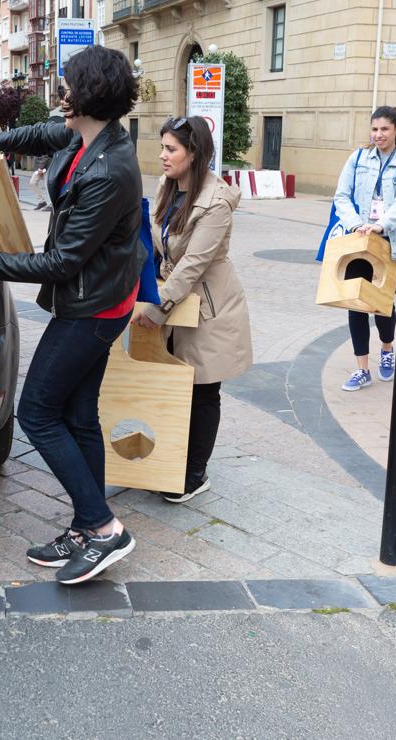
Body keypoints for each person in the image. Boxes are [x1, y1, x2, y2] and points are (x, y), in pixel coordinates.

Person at [0, 45, 144, 585]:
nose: (63, 93)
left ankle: (103, 529)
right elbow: (37, 136)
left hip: (93, 308)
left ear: (92, 94)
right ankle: (85, 526)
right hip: (98, 297)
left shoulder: (111, 170)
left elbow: (62, 261)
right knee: (78, 416)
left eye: (70, 84)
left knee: (35, 413)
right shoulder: (88, 137)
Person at [132, 115, 252, 503]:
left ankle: (195, 473)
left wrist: (156, 308)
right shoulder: (168, 185)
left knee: (202, 389)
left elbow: (194, 264)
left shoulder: (216, 202)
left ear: (194, 153)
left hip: (207, 308)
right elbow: (157, 245)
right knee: (172, 387)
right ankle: (170, 460)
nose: (163, 156)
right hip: (172, 299)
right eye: (162, 147)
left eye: (171, 149)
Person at [333, 105, 396, 392]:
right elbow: (341, 195)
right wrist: (356, 224)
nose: (378, 135)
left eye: (385, 129)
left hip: (387, 241)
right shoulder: (358, 158)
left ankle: (387, 350)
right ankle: (362, 369)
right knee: (356, 303)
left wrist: (381, 225)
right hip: (358, 238)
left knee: (381, 303)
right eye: (374, 129)